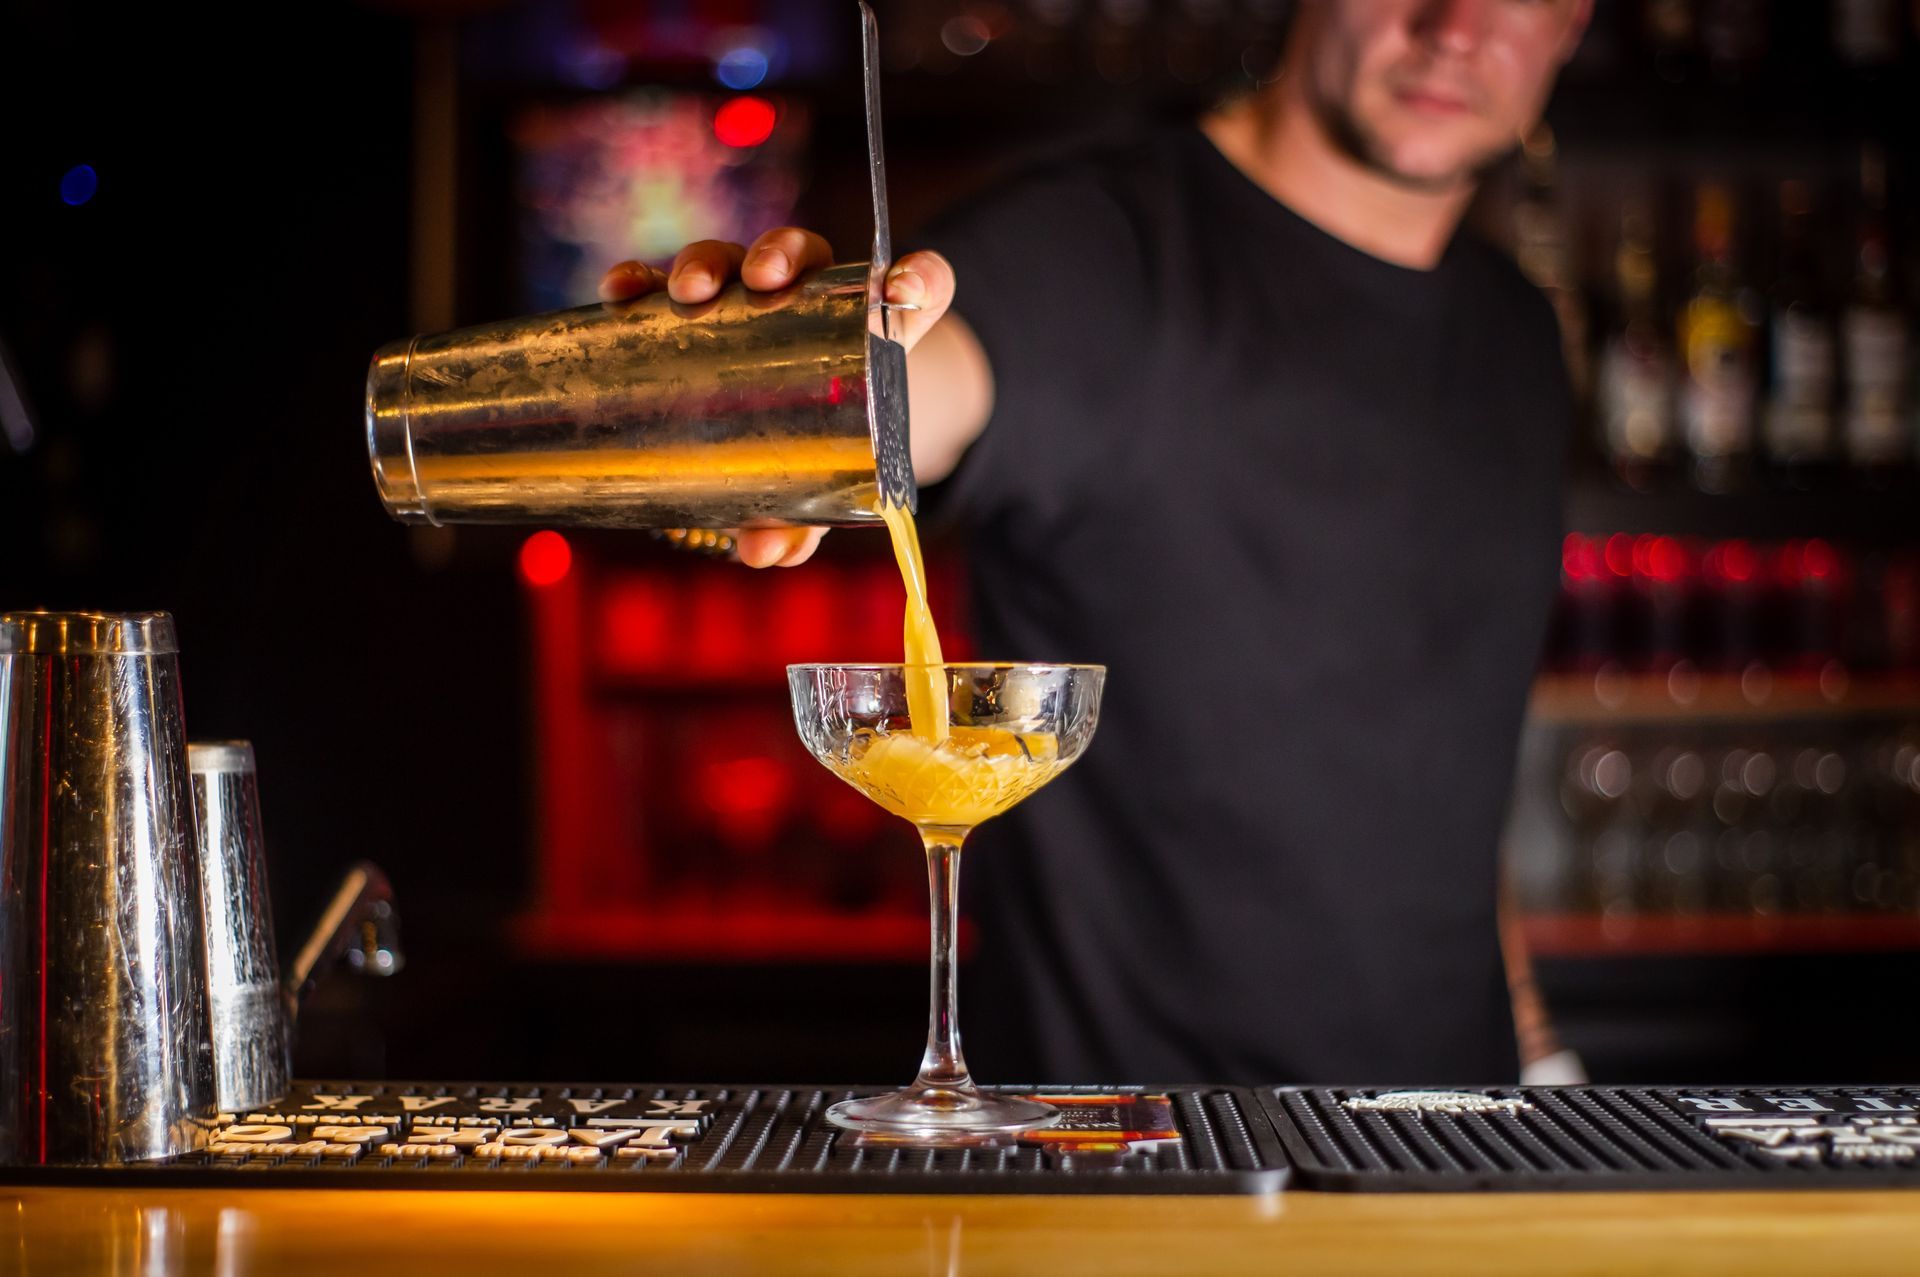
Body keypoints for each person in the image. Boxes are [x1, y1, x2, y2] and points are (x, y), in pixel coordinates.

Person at [602, 0, 1593, 1085]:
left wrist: (1538, 1044)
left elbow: (1443, 754)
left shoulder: (1519, 334)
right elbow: (926, 379)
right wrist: (781, 388)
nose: (1456, 26)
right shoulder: (1096, 249)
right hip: (1142, 1165)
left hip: (1458, 1143)